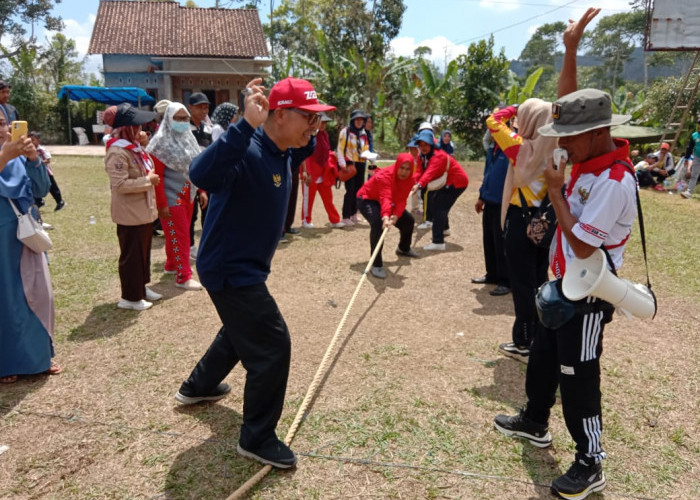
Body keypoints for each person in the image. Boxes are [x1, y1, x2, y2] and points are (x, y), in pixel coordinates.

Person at [494, 9, 636, 500]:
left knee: (579, 376)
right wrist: (571, 50)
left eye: (570, 138)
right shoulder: (587, 154)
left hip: (590, 293)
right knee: (544, 358)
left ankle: (590, 460)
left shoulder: (615, 181)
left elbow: (581, 243)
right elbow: (565, 106)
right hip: (561, 283)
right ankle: (535, 420)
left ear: (598, 133)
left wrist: (555, 191)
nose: (562, 144)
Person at [174, 77, 335, 470]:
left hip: (245, 269)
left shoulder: (283, 149)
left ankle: (197, 387)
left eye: (318, 120)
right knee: (271, 345)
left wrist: (312, 131)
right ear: (279, 115)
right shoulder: (245, 149)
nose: (313, 127)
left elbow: (305, 146)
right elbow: (201, 174)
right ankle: (257, 436)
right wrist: (244, 124)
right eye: (307, 118)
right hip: (231, 269)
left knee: (239, 330)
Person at [486, 99, 558, 361]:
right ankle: (540, 336)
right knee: (539, 280)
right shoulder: (557, 148)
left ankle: (523, 342)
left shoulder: (521, 146)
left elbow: (493, 121)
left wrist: (513, 109)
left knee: (522, 284)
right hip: (544, 221)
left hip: (521, 219)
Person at [0, 113, 61, 384]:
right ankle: (7, 362)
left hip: (26, 232)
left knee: (37, 292)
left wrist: (33, 159)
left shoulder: (19, 158)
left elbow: (41, 189)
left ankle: (38, 357)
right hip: (2, 239)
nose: (1, 129)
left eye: (2, 123)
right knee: (7, 299)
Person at [103, 103, 162, 311]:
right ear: (126, 128)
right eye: (136, 126)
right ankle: (130, 296)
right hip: (129, 213)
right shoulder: (117, 152)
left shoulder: (134, 148)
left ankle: (141, 288)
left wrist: (143, 146)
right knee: (131, 256)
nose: (141, 130)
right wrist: (148, 181)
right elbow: (119, 185)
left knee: (143, 253)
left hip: (142, 212)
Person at [146, 102, 203, 291]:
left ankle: (171, 265)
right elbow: (158, 177)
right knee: (180, 236)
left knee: (177, 234)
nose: (182, 122)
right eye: (177, 118)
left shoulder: (189, 139)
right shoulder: (159, 144)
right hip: (171, 198)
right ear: (168, 120)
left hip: (188, 195)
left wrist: (201, 190)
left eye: (185, 118)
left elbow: (196, 167)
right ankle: (183, 276)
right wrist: (162, 204)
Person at [357, 152, 419, 278]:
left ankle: (404, 248)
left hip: (389, 202)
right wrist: (386, 217)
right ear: (397, 166)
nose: (404, 172)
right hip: (367, 198)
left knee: (408, 221)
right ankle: (376, 264)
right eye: (402, 168)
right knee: (378, 224)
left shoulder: (410, 179)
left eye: (408, 169)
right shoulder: (385, 176)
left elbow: (401, 200)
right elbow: (385, 197)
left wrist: (396, 215)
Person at [411, 129, 468, 250]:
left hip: (457, 182)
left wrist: (419, 184)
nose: (423, 147)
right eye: (421, 145)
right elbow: (419, 172)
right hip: (446, 182)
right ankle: (445, 229)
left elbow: (429, 174)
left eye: (426, 145)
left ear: (431, 144)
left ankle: (438, 242)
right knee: (438, 203)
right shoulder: (422, 156)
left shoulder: (438, 156)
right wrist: (415, 181)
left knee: (439, 207)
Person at [473, 138, 511, 296]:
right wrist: (481, 196)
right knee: (489, 240)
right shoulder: (492, 149)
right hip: (489, 201)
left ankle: (505, 281)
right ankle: (492, 275)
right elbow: (487, 174)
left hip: (504, 203)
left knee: (501, 242)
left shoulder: (511, 148)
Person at [300, 113, 344, 229]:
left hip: (323, 173)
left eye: (325, 122)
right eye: (321, 122)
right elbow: (306, 155)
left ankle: (334, 220)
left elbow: (326, 152)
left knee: (328, 198)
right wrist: (307, 172)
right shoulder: (309, 135)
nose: (323, 124)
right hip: (311, 173)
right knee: (308, 199)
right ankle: (306, 220)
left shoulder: (325, 135)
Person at [187, 92, 212, 258]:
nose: (204, 110)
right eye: (200, 107)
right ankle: (189, 246)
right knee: (191, 214)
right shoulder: (184, 128)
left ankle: (207, 243)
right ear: (190, 108)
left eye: (206, 107)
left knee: (208, 212)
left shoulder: (208, 129)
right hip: (189, 176)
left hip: (206, 176)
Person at [337, 109, 369, 225]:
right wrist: (342, 164)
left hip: (360, 164)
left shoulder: (363, 133)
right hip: (349, 164)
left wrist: (369, 156)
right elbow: (340, 149)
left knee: (358, 190)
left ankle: (354, 214)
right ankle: (346, 216)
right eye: (357, 119)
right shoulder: (346, 132)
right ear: (353, 120)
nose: (359, 122)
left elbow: (365, 148)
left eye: (361, 119)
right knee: (350, 190)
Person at [29, 131, 66, 212]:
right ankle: (39, 201)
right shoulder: (30, 150)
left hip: (46, 172)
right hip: (37, 174)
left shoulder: (41, 150)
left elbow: (48, 160)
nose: (31, 142)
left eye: (33, 140)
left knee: (52, 187)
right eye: (30, 140)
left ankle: (60, 201)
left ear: (38, 140)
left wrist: (40, 163)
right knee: (36, 186)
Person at [680, 117, 700, 199]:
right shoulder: (694, 135)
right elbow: (689, 148)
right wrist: (686, 159)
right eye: (699, 124)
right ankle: (689, 192)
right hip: (697, 157)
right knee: (694, 175)